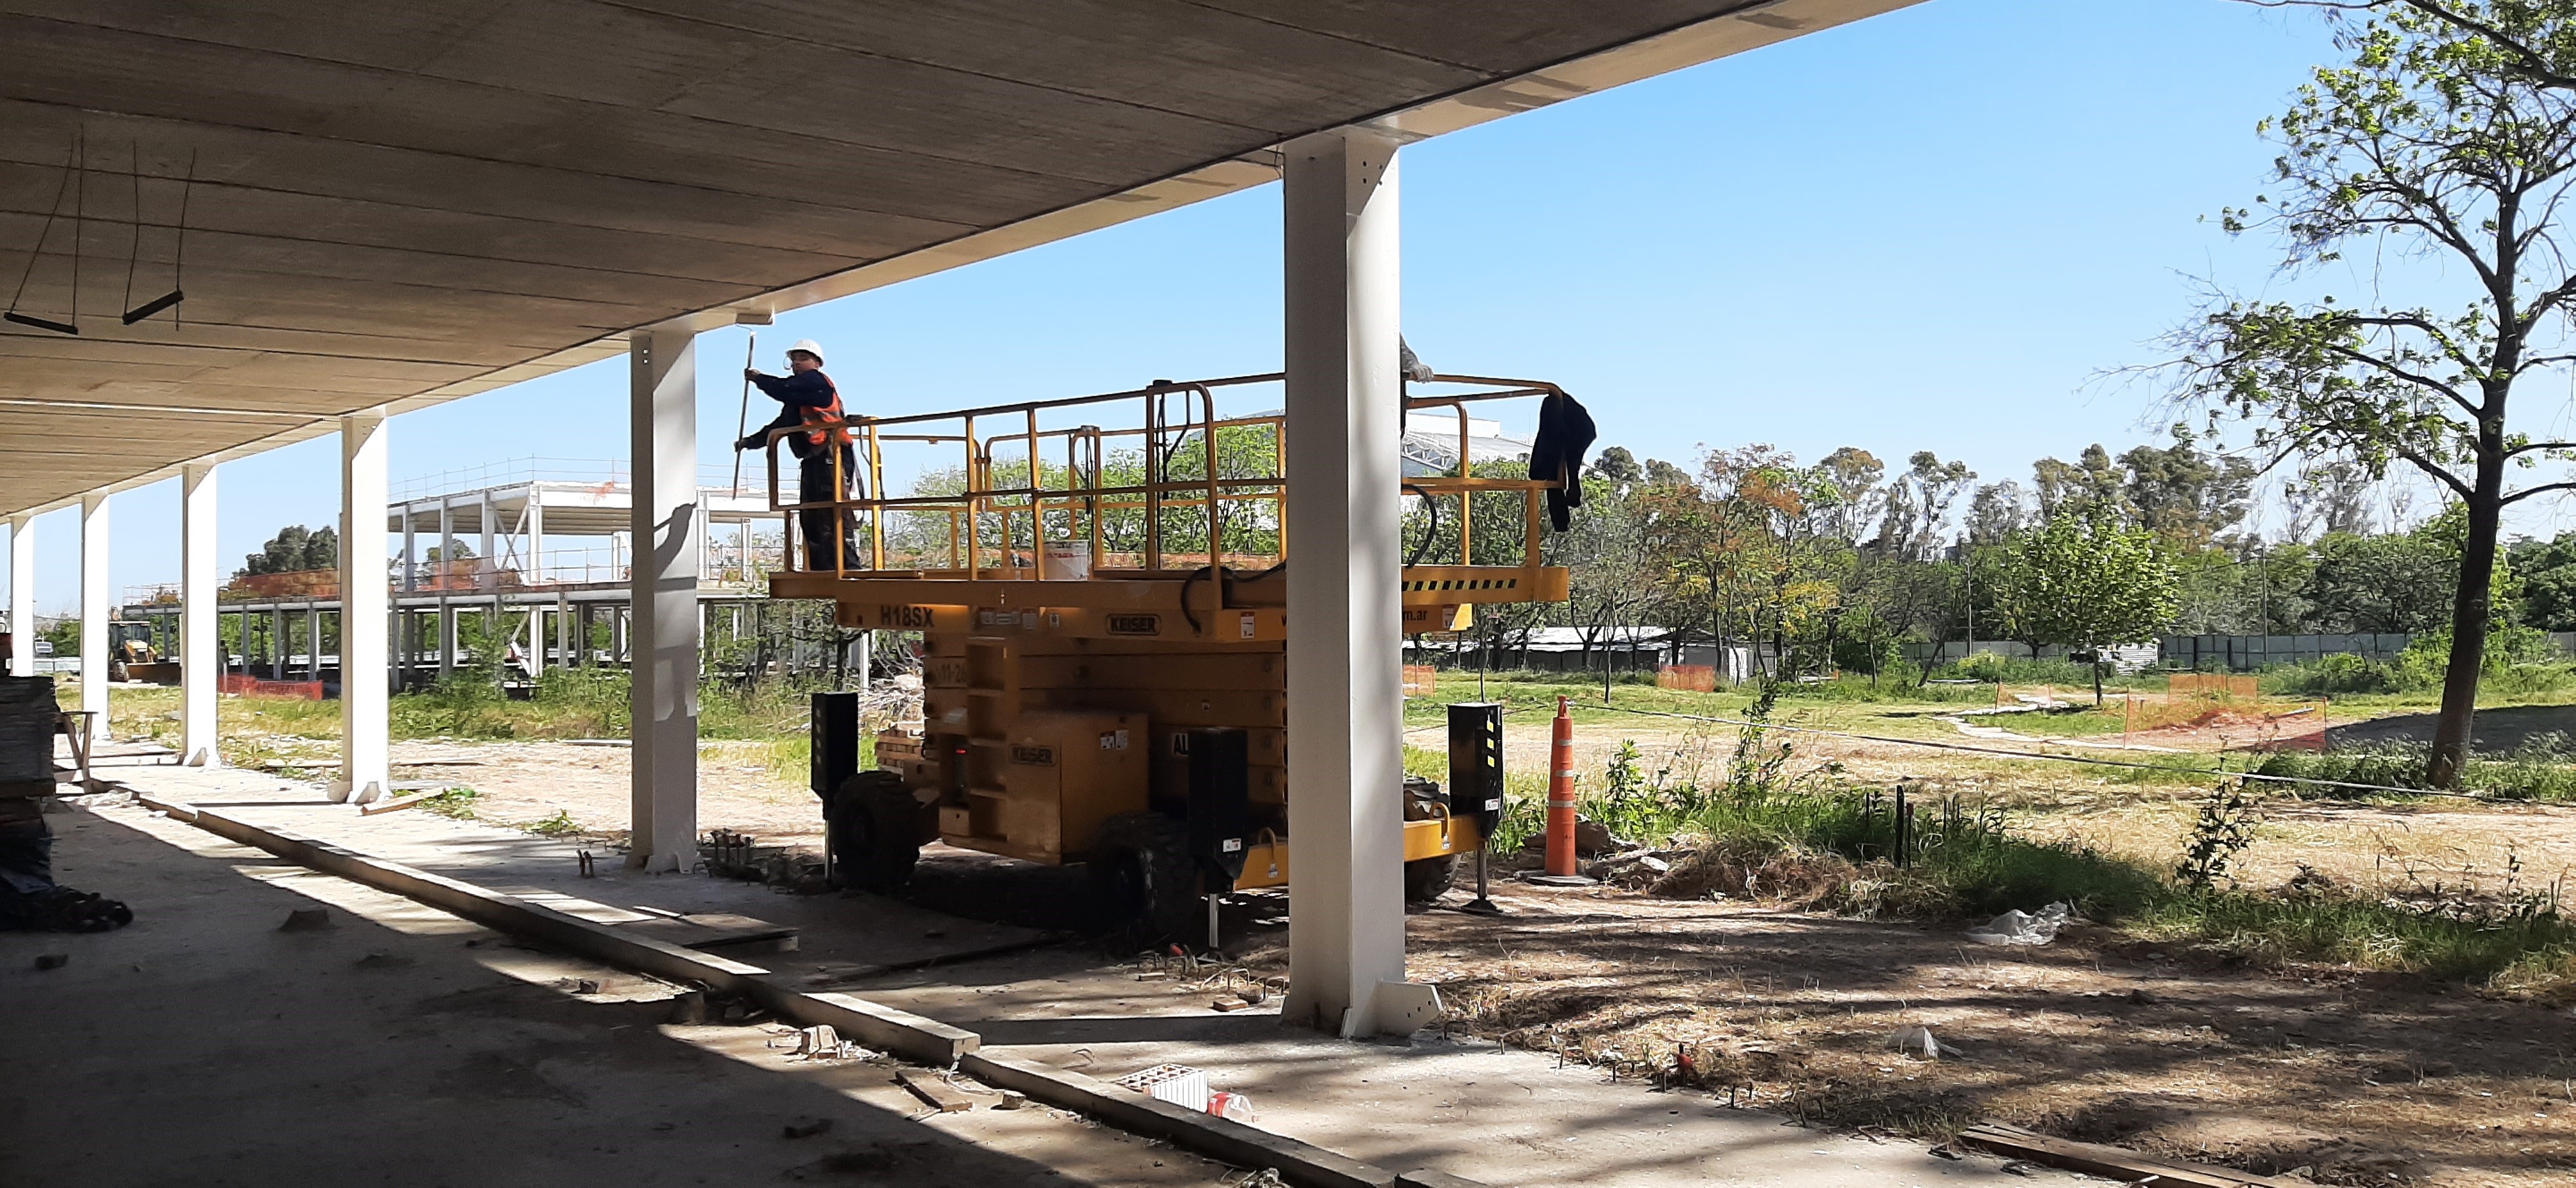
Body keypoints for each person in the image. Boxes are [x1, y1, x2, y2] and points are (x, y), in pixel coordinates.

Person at [737, 339, 863, 570]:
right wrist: (751, 442)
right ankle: (823, 567)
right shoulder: (799, 397)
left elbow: (783, 389)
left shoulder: (816, 383)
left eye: (803, 358)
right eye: (794, 359)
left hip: (832, 456)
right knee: (812, 516)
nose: (797, 363)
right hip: (815, 459)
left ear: (817, 363)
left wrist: (759, 379)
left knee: (832, 513)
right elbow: (781, 424)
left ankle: (848, 567)